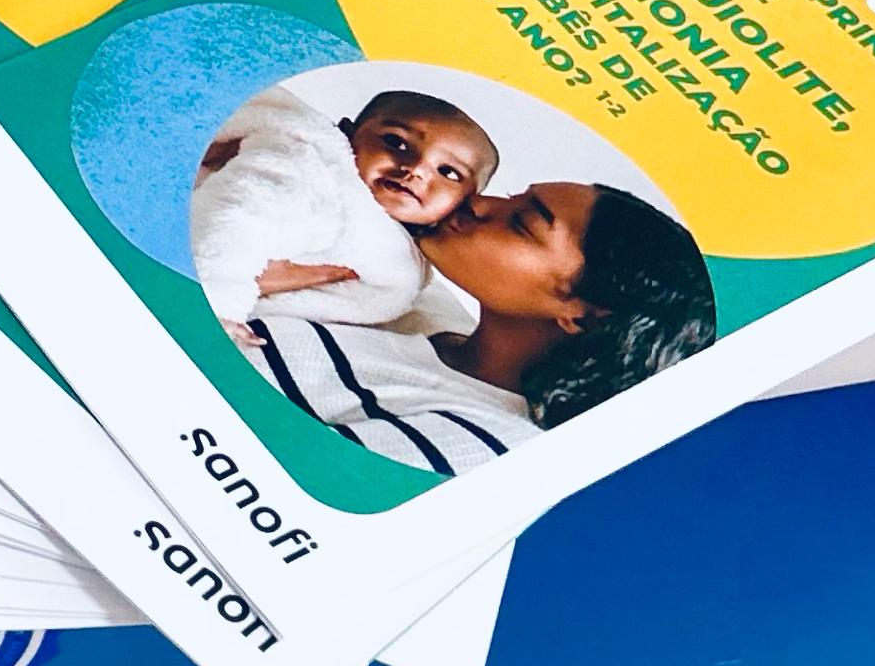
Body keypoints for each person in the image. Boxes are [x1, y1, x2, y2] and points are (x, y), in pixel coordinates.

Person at [243, 175, 715, 469]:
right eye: (512, 198)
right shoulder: (409, 295)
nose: (480, 203)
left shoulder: (479, 448)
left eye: (523, 223)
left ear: (584, 317)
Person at [192, 84, 495, 338]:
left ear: (466, 201)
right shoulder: (311, 168)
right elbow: (234, 216)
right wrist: (220, 304)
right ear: (349, 134)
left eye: (448, 172)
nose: (415, 168)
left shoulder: (411, 260)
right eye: (396, 142)